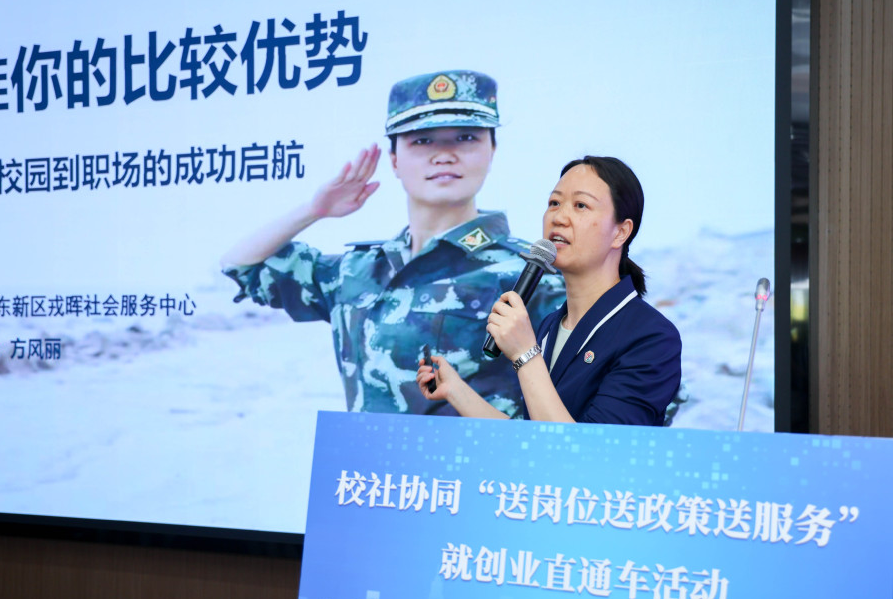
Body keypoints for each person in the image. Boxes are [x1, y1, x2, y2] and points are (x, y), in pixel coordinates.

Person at [221, 70, 565, 416]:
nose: (444, 155)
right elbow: (240, 266)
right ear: (395, 160)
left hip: (474, 454)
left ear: (492, 151)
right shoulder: (356, 271)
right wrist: (314, 210)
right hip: (366, 454)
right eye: (422, 140)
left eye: (465, 137)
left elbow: (566, 410)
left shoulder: (529, 277)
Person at [417, 156, 681, 426]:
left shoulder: (651, 337)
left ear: (620, 232)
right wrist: (456, 390)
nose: (559, 217)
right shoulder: (550, 326)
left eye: (580, 205)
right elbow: (534, 437)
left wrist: (525, 354)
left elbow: (591, 448)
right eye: (554, 203)